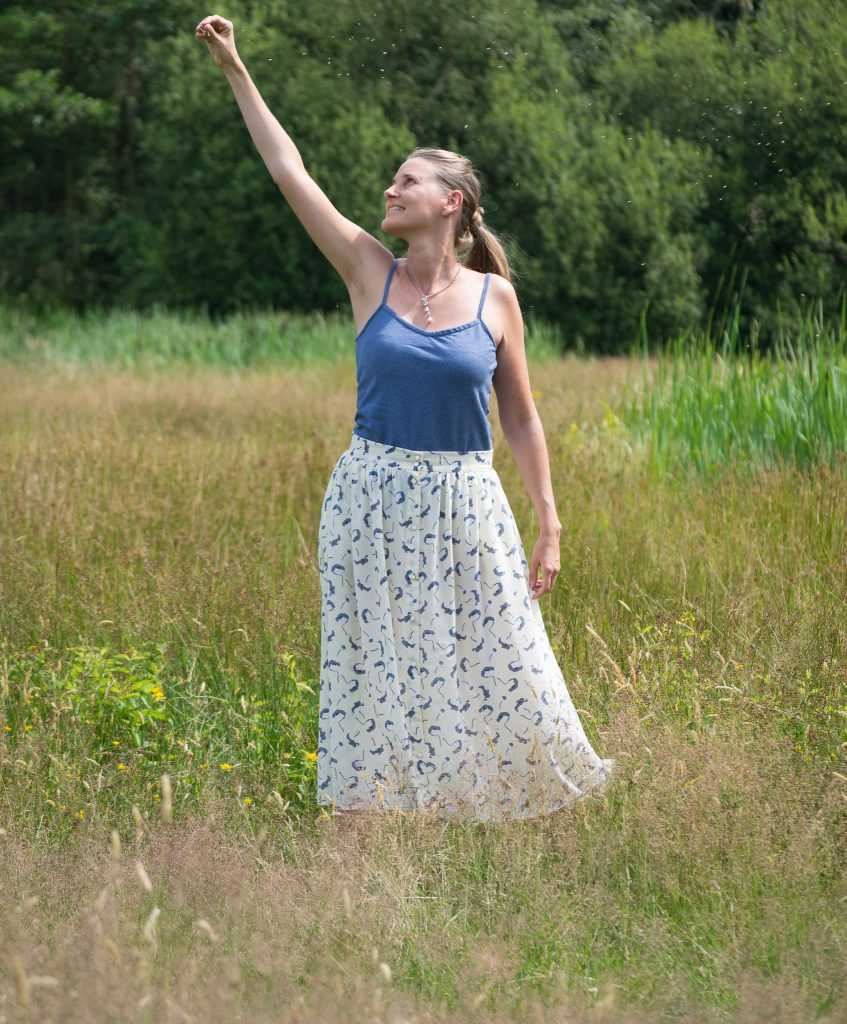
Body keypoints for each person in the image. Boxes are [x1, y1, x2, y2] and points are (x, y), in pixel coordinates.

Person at [196, 14, 614, 822]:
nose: (389, 191)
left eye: (406, 181)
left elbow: (521, 419)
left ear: (450, 203)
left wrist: (550, 523)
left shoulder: (495, 299)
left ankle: (505, 815)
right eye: (392, 182)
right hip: (369, 497)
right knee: (370, 670)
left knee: (502, 660)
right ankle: (366, 826)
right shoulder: (367, 271)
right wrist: (235, 69)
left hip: (467, 501)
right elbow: (288, 171)